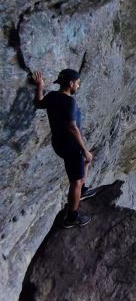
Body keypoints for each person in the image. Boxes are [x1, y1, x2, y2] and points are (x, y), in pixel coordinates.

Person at [32, 68, 96, 228]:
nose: (79, 86)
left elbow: (38, 103)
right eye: (78, 83)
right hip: (71, 146)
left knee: (86, 162)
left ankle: (81, 190)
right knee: (76, 181)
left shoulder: (53, 96)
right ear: (71, 83)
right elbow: (72, 127)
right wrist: (83, 149)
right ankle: (72, 217)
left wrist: (39, 86)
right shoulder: (69, 102)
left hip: (59, 143)